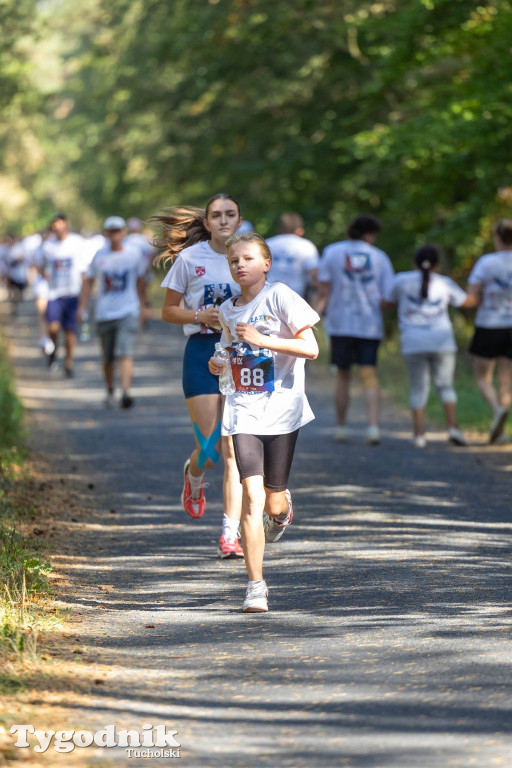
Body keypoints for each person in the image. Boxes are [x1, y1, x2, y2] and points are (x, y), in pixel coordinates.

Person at [209, 232, 319, 613]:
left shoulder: (281, 296)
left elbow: (312, 348)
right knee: (251, 498)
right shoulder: (226, 309)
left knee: (272, 504)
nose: (240, 265)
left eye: (248, 258)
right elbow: (226, 350)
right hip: (244, 409)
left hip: (283, 409)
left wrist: (264, 340)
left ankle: (283, 507)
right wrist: (217, 362)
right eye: (234, 260)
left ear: (266, 264)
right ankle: (256, 586)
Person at [156, 193, 244, 559]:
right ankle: (194, 477)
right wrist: (199, 317)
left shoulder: (248, 256)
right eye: (216, 216)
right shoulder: (191, 259)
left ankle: (230, 534)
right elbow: (168, 311)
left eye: (231, 214)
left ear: (239, 220)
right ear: (206, 223)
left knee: (236, 449)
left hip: (242, 355)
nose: (224, 221)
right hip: (201, 351)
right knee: (208, 451)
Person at [384, 245, 475, 447]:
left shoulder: (401, 280)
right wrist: (479, 291)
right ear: (437, 264)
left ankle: (419, 435)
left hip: (413, 341)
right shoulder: (445, 283)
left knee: (418, 387)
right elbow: (465, 302)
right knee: (445, 386)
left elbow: (386, 303)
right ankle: (453, 428)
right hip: (442, 340)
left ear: (414, 262)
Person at [316, 214, 394, 445]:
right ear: (370, 233)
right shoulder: (380, 257)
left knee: (343, 375)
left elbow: (324, 290)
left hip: (340, 323)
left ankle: (341, 427)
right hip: (369, 324)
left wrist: (313, 317)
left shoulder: (332, 252)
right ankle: (373, 427)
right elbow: (388, 296)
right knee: (369, 374)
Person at [78, 216, 147, 409]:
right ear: (106, 233)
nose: (115, 234)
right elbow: (88, 282)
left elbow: (141, 281)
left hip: (128, 311)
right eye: (111, 231)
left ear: (124, 232)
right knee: (108, 358)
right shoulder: (100, 256)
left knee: (126, 353)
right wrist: (82, 307)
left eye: (118, 230)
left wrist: (145, 305)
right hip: (104, 313)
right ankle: (110, 389)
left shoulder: (134, 254)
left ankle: (125, 392)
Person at [467, 219, 512, 444]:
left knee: (482, 377)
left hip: (489, 324)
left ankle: (497, 412)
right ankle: (501, 426)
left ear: (496, 237)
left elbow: (472, 296)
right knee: (507, 380)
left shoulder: (487, 262)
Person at [40, 213, 88, 376]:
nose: (58, 228)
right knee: (53, 327)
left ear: (66, 224)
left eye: (60, 224)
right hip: (54, 293)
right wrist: (44, 274)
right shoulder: (48, 246)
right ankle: (53, 350)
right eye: (55, 225)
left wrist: (84, 299)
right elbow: (41, 265)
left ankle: (69, 361)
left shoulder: (77, 242)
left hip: (72, 294)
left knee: (69, 331)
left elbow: (84, 269)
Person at [266, 213, 319, 301]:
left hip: (268, 295)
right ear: (300, 230)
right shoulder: (307, 246)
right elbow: (314, 276)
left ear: (280, 228)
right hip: (296, 296)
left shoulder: (267, 244)